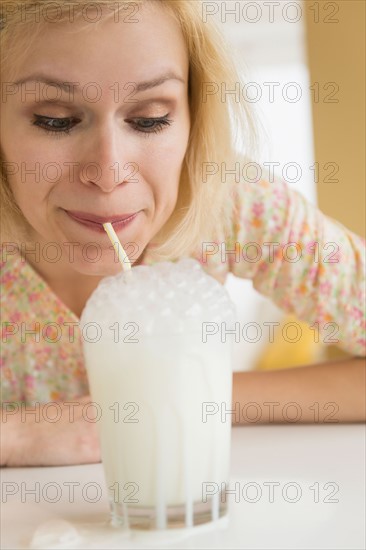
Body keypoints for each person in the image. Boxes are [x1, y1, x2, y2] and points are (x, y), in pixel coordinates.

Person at [0, 0, 365, 468]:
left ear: (195, 116)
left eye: (150, 118)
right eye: (55, 120)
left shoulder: (228, 201)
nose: (109, 173)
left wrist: (195, 397)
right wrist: (17, 436)